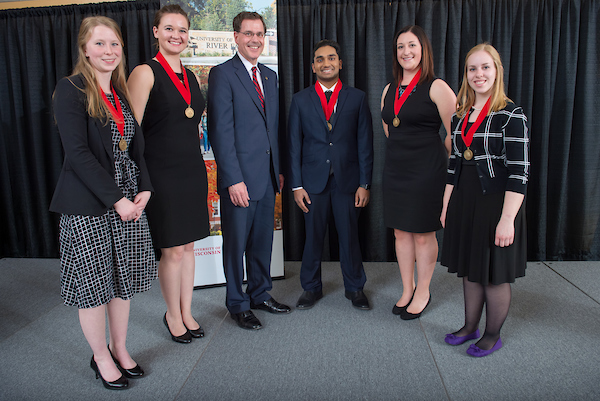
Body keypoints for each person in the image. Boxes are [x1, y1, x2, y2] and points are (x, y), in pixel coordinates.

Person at [51, 16, 156, 389]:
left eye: (114, 44)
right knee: (94, 286)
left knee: (121, 282)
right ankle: (100, 357)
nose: (108, 51)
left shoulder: (119, 91)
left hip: (128, 203)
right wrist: (117, 201)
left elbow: (134, 148)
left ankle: (120, 348)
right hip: (90, 207)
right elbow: (78, 154)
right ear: (84, 49)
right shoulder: (71, 89)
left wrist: (144, 187)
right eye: (99, 44)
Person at [441, 43, 529, 357]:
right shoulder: (460, 115)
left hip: (496, 204)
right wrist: (445, 206)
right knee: (470, 268)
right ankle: (469, 327)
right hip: (464, 201)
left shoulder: (511, 114)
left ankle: (492, 335)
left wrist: (507, 219)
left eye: (485, 67)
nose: (479, 74)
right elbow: (453, 164)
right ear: (466, 75)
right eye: (473, 69)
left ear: (496, 71)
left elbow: (520, 172)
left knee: (494, 273)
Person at [127, 4, 209, 344]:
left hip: (192, 170)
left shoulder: (190, 76)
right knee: (172, 250)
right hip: (161, 173)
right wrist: (141, 179)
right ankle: (171, 315)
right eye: (170, 28)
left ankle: (186, 310)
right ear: (156, 32)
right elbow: (129, 133)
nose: (177, 35)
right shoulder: (145, 72)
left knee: (188, 247)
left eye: (183, 30)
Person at [207, 11, 290, 330]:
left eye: (260, 34)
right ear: (236, 37)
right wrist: (232, 179)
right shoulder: (222, 74)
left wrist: (278, 170)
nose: (255, 39)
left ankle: (260, 293)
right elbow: (221, 132)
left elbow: (274, 128)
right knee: (236, 244)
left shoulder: (270, 76)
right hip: (239, 180)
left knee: (262, 242)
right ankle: (237, 303)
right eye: (249, 34)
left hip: (268, 177)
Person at [288, 40, 374, 310]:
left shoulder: (357, 98)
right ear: (313, 65)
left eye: (331, 58)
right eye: (320, 59)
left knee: (349, 236)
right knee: (312, 237)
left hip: (347, 181)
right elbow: (293, 145)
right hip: (312, 181)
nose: (326, 63)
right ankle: (311, 287)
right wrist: (296, 185)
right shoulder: (300, 100)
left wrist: (364, 183)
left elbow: (365, 143)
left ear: (340, 63)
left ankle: (355, 287)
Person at [380, 25, 456, 320]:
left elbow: (455, 134)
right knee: (401, 232)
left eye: (412, 45)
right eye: (400, 46)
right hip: (396, 170)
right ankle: (406, 288)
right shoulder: (389, 89)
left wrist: (433, 160)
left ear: (423, 49)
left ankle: (423, 291)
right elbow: (390, 128)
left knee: (423, 235)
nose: (406, 52)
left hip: (427, 172)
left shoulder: (437, 86)